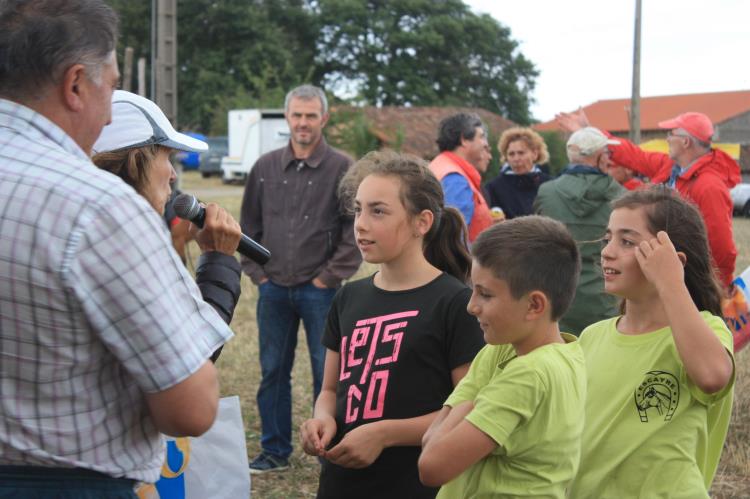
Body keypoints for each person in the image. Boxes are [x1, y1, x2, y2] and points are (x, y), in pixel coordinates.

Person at [0, 1, 234, 497]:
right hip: (67, 484)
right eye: (112, 82)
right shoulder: (98, 209)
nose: (107, 112)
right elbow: (190, 409)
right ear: (77, 84)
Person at [299, 151, 485, 498]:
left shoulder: (455, 303)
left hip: (414, 484)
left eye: (378, 211)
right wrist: (323, 419)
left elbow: (465, 411)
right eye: (358, 209)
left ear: (422, 222)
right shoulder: (348, 298)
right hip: (342, 483)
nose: (361, 223)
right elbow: (329, 391)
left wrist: (383, 433)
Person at [570, 187, 735, 498]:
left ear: (674, 261)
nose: (607, 251)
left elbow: (713, 376)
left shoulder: (706, 330)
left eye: (627, 241)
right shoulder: (593, 337)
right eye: (609, 239)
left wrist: (670, 281)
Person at [418, 216, 586, 498]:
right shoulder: (519, 350)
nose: (472, 306)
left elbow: (432, 465)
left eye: (485, 295)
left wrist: (473, 400)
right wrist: (476, 404)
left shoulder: (528, 375)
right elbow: (429, 439)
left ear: (534, 305)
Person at [240, 84, 362, 473]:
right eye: (297, 115)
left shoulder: (343, 168)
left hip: (320, 292)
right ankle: (274, 450)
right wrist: (258, 276)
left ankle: (329, 450)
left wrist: (327, 279)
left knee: (326, 375)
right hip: (273, 288)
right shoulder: (265, 167)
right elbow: (248, 227)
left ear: (324, 118)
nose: (304, 122)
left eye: (311, 115)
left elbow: (354, 230)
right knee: (273, 370)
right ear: (287, 117)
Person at [92, 90, 243, 360]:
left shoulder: (99, 230)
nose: (173, 175)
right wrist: (217, 259)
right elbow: (191, 356)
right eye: (166, 157)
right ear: (138, 161)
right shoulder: (130, 249)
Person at [556, 109, 739, 288]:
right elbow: (633, 155)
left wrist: (717, 289)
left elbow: (721, 247)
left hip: (689, 280)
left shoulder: (709, 186)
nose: (667, 138)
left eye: (671, 133)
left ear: (685, 142)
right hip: (668, 272)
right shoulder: (671, 167)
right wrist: (589, 134)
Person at [534, 127, 625, 334]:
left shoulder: (546, 193)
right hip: (606, 304)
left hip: (557, 303)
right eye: (607, 153)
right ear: (601, 158)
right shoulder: (622, 198)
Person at [428, 113, 492, 242]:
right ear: (464, 140)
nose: (486, 144)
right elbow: (454, 239)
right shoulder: (455, 178)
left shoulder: (440, 166)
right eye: (482, 137)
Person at [484, 127, 551, 219]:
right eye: (511, 154)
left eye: (521, 153)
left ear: (535, 154)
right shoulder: (493, 188)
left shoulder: (549, 185)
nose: (516, 159)